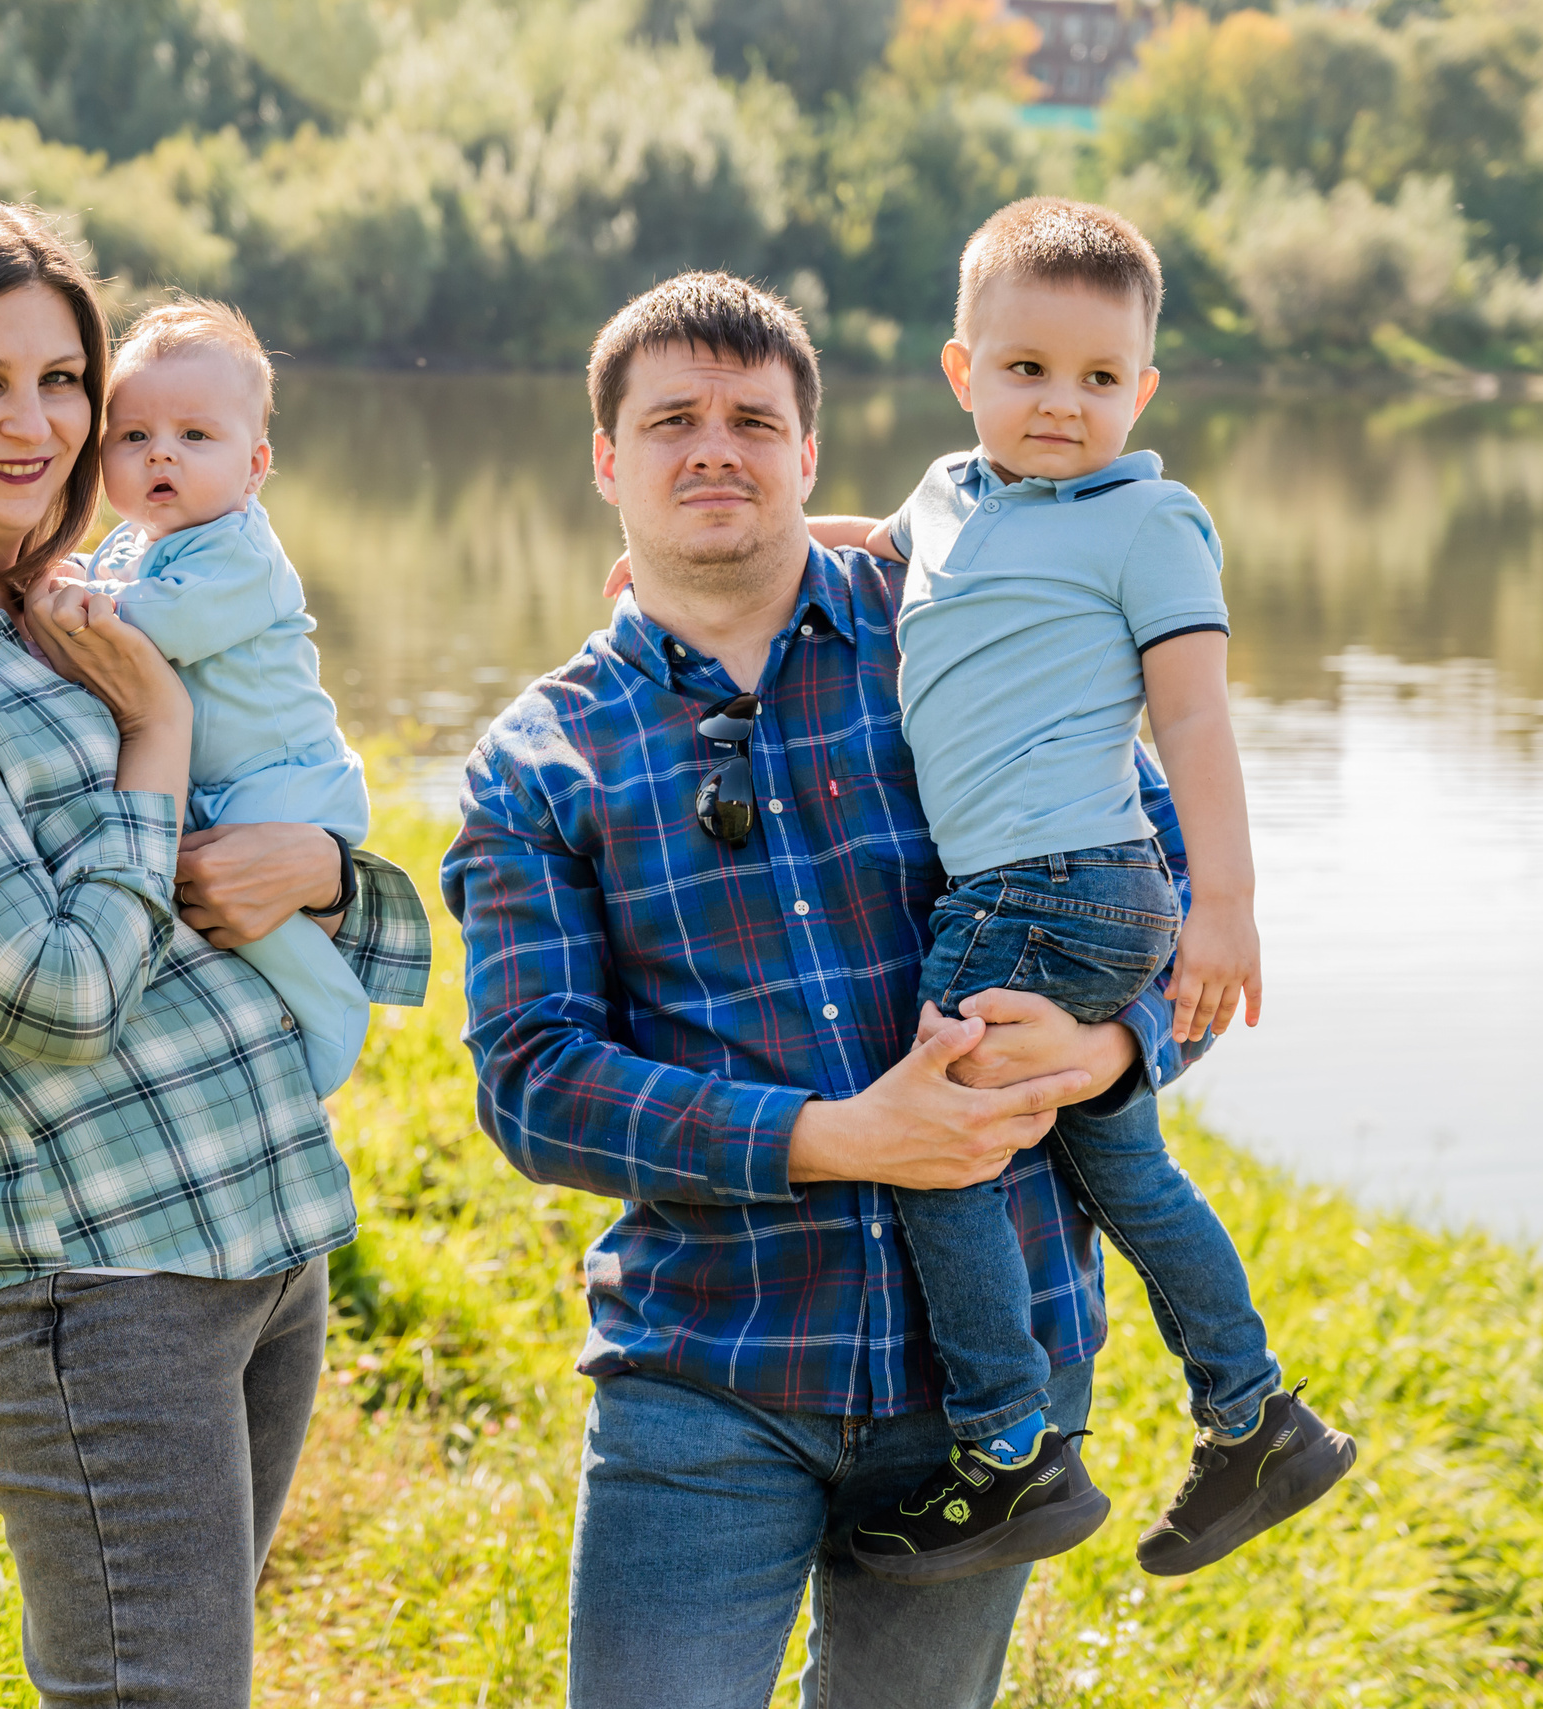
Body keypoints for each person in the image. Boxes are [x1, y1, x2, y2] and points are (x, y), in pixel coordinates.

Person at [441, 271, 1183, 1709]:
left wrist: (1103, 1053)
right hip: (711, 1359)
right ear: (607, 460)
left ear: (809, 455)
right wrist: (835, 1137)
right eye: (671, 420)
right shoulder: (543, 759)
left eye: (752, 418)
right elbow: (532, 1083)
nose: (714, 446)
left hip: (991, 1383)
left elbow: (1176, 899)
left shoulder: (970, 636)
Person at [0, 201, 429, 1709]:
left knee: (192, 1679)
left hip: (256, 1227)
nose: (38, 423)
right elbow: (55, 997)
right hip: (92, 1273)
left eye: (65, 381)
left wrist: (320, 868)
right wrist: (160, 739)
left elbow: (263, 848)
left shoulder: (57, 603)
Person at [811, 197, 1354, 1585]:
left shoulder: (1149, 523)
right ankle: (1256, 1420)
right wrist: (753, 546)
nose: (1064, 405)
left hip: (1052, 889)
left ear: (1145, 388)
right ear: (963, 372)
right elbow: (888, 542)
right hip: (1057, 899)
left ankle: (1008, 1449)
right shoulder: (950, 497)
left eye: (1100, 378)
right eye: (1029, 371)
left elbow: (1198, 725)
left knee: (938, 1143)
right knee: (1127, 1167)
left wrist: (1225, 905)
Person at [72, 296, 374, 1099]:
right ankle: (257, 1043)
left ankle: (333, 1009)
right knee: (220, 914)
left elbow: (168, 622)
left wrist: (73, 610)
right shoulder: (136, 542)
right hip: (228, 786)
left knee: (257, 919)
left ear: (255, 465)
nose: (160, 456)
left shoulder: (242, 550)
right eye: (134, 437)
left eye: (194, 436)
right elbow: (109, 581)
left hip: (283, 783)